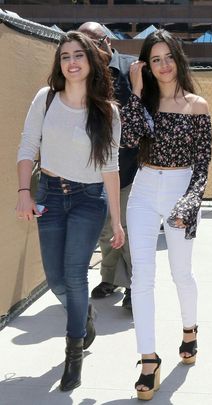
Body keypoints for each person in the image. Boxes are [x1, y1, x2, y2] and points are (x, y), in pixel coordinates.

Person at [16, 31, 124, 391]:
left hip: (87, 200)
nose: (72, 62)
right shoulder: (45, 99)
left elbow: (110, 167)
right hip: (48, 193)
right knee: (57, 279)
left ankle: (74, 354)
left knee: (75, 277)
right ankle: (85, 317)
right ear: (59, 63)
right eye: (65, 56)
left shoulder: (107, 111)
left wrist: (117, 222)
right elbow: (28, 146)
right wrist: (23, 193)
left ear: (92, 61)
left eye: (79, 55)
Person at [120, 29, 212, 400]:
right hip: (143, 189)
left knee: (180, 272)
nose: (163, 65)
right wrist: (136, 91)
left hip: (181, 189)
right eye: (154, 59)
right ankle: (148, 360)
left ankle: (189, 330)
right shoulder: (143, 103)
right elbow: (128, 138)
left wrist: (190, 203)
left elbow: (202, 165)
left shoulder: (198, 105)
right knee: (142, 277)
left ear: (179, 58)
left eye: (168, 57)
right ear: (146, 65)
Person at [78, 22, 138, 310]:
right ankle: (110, 278)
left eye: (89, 43)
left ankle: (133, 286)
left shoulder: (131, 68)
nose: (84, 50)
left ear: (105, 42)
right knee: (104, 229)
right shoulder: (83, 73)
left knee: (125, 228)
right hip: (92, 169)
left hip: (127, 168)